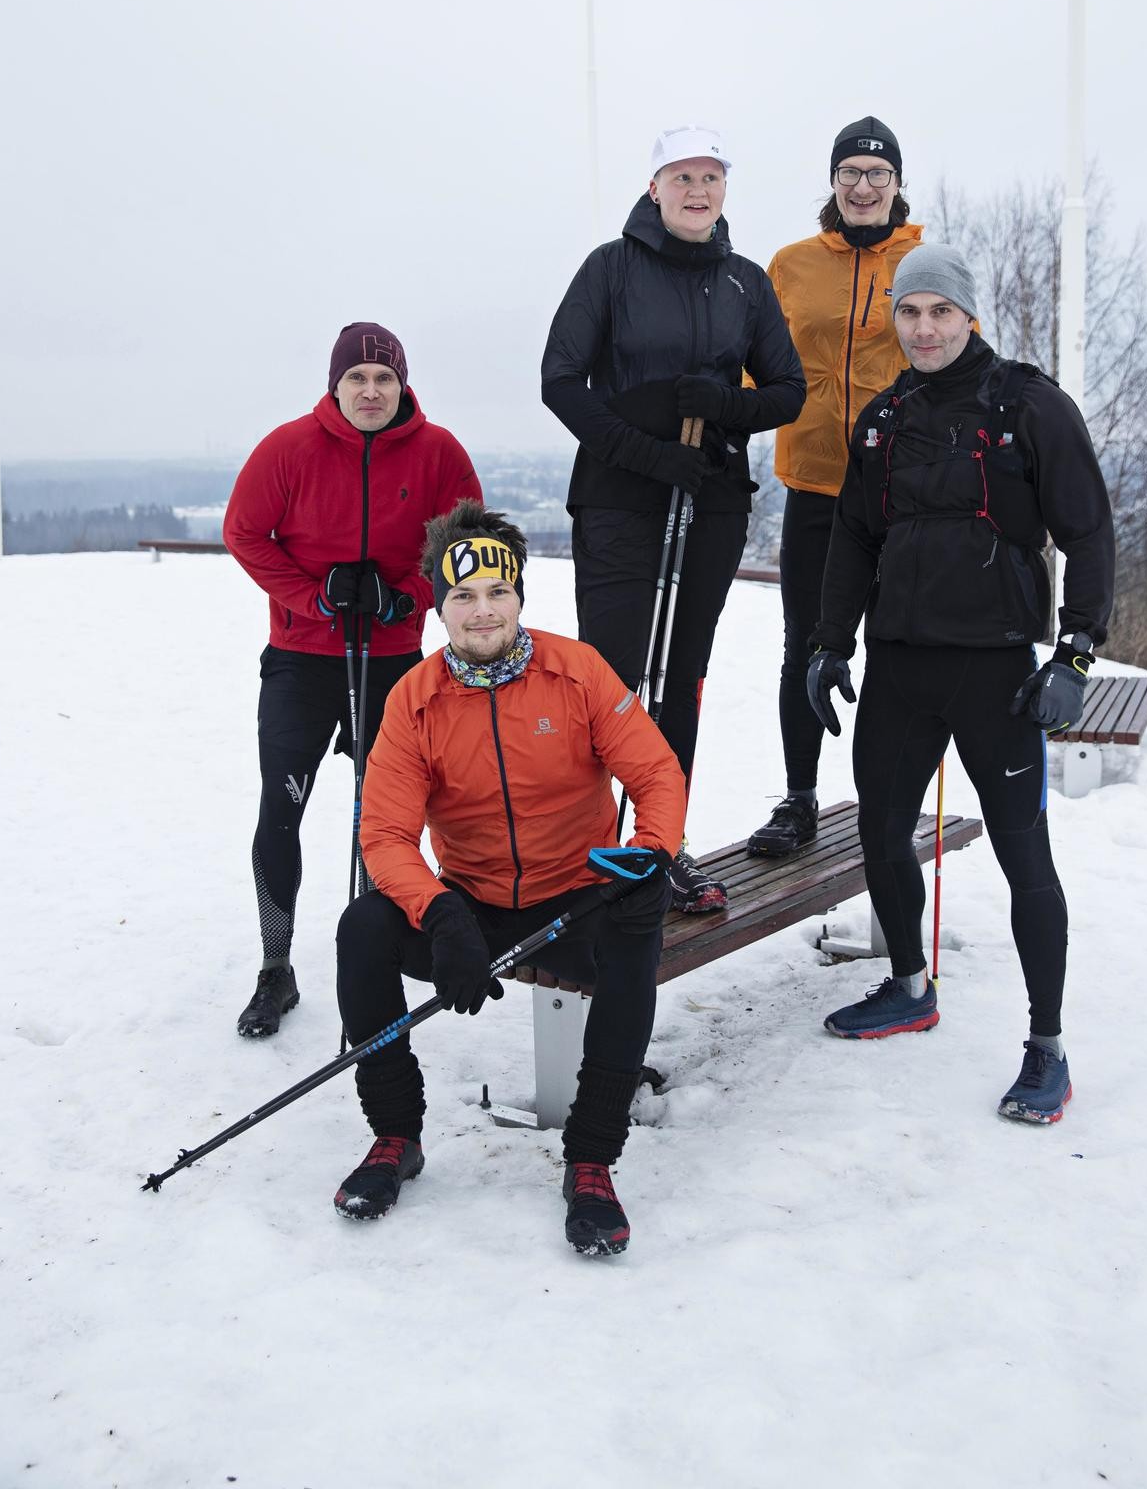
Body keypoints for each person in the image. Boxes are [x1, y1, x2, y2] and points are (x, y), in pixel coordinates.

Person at [805, 245, 1115, 1124]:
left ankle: (1047, 1048)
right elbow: (852, 538)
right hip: (901, 665)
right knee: (880, 831)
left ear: (968, 315)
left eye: (940, 311)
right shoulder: (885, 418)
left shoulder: (1029, 407)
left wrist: (1075, 656)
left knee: (1025, 857)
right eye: (910, 312)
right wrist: (830, 644)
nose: (925, 328)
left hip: (998, 674)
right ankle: (909, 986)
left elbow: (1089, 533)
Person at [333, 501, 686, 1255]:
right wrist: (439, 915)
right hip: (472, 905)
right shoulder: (414, 701)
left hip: (578, 898)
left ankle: (591, 1159)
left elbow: (655, 772)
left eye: (498, 592)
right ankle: (395, 1136)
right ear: (440, 608)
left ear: (520, 596)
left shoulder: (577, 671)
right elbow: (386, 835)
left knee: (637, 923)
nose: (483, 611)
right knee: (363, 927)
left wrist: (652, 851)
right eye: (463, 596)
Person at [541, 125, 805, 913]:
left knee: (680, 679)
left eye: (710, 177)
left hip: (710, 498)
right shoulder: (611, 268)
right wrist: (645, 454)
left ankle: (661, 845)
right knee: (612, 679)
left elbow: (788, 391)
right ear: (654, 188)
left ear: (725, 189)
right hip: (622, 499)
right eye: (682, 177)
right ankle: (589, 852)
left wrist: (725, 404)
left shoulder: (745, 283)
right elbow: (561, 380)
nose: (697, 191)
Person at [223, 322, 480, 1039]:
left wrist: (405, 597)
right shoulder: (288, 448)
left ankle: (378, 955)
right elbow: (243, 533)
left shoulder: (439, 452)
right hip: (302, 659)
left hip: (393, 660)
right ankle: (276, 967)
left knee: (385, 818)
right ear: (335, 386)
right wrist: (316, 596)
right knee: (280, 811)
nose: (371, 391)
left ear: (403, 386)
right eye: (357, 378)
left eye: (384, 378)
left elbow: (465, 543)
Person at [748, 115, 926, 858]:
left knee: (893, 647)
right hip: (816, 487)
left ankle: (886, 799)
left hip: (901, 493)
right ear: (832, 181)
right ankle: (798, 799)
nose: (863, 186)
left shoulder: (924, 261)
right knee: (806, 645)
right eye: (850, 172)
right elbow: (753, 363)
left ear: (897, 184)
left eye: (877, 174)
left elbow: (956, 354)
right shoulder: (790, 265)